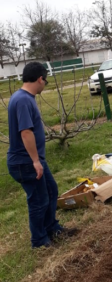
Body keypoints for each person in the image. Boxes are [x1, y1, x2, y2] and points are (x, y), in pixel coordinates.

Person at [6, 62, 77, 248]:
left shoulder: (25, 98)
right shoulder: (22, 100)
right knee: (38, 200)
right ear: (40, 79)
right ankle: (39, 240)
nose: (45, 84)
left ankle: (51, 228)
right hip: (25, 162)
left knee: (51, 190)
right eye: (45, 80)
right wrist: (35, 161)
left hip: (33, 160)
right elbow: (26, 132)